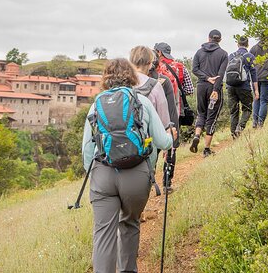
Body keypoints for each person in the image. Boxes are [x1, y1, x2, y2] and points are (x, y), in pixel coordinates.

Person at [82, 58, 177, 273]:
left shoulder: (96, 103)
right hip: (136, 174)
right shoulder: (141, 101)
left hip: (103, 174)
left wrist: (94, 176)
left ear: (106, 78)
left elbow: (87, 150)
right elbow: (162, 142)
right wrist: (172, 137)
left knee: (103, 232)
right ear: (132, 76)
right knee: (130, 223)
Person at [130, 45, 179, 193]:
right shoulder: (157, 85)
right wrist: (169, 143)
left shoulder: (123, 83)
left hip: (124, 139)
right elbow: (166, 119)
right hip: (148, 140)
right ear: (150, 63)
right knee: (145, 174)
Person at [191, 29, 228, 157]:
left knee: (201, 113)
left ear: (208, 38)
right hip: (214, 89)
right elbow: (220, 75)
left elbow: (194, 69)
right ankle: (206, 149)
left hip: (201, 86)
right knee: (211, 117)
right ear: (220, 40)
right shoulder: (223, 54)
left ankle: (196, 135)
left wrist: (206, 78)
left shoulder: (199, 52)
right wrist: (216, 90)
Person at [226, 36, 259, 138]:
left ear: (238, 44)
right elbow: (254, 75)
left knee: (233, 111)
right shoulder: (249, 56)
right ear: (247, 44)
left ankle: (233, 135)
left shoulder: (231, 56)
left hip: (230, 86)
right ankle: (240, 128)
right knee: (247, 109)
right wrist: (256, 91)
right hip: (244, 86)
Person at [154, 42, 194, 117]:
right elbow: (190, 90)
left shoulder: (155, 68)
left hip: (158, 107)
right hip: (176, 108)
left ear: (159, 52)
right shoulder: (181, 67)